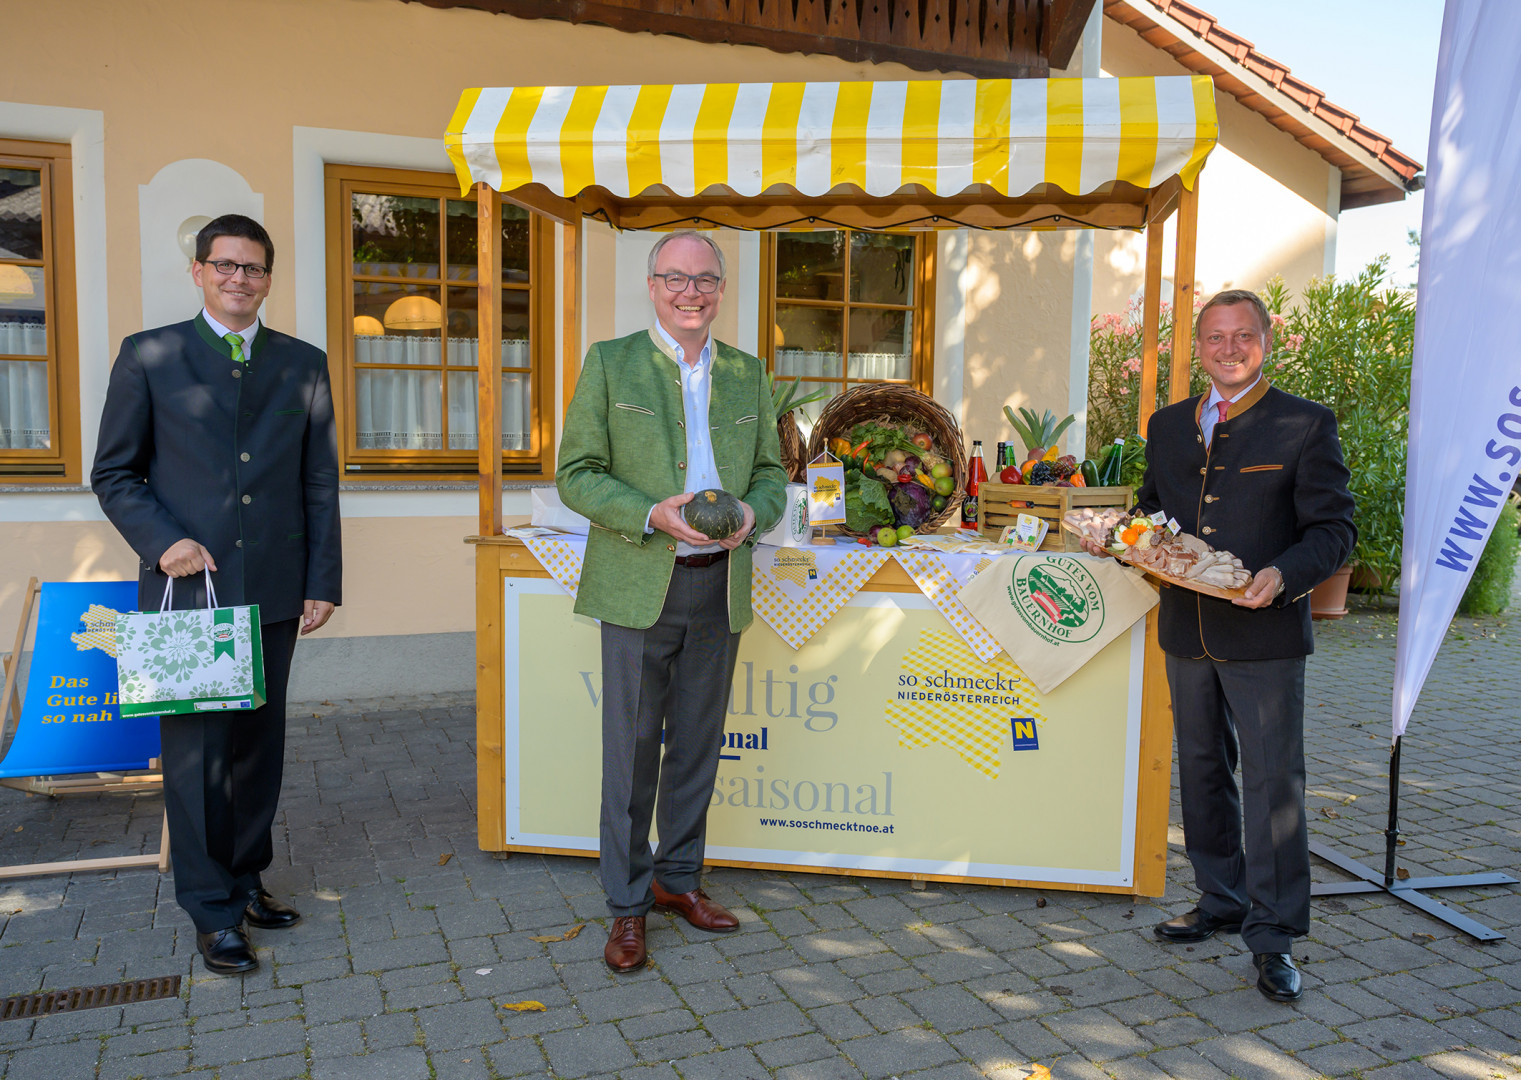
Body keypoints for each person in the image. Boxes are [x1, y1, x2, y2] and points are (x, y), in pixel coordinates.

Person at [92, 214, 341, 975]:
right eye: (225, 265)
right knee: (199, 757)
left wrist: (321, 581)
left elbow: (317, 479)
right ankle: (211, 912)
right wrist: (162, 540)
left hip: (272, 590)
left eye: (254, 268)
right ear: (199, 271)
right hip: (187, 595)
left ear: (268, 278)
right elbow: (114, 472)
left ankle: (244, 878)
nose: (240, 279)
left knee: (257, 753)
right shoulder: (150, 355)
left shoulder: (301, 362)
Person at [1100, 289, 1354, 1002]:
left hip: (1263, 631)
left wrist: (1284, 576)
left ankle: (1272, 937)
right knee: (1202, 770)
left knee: (1273, 786)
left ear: (1264, 342)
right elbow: (1154, 507)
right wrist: (1129, 539)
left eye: (1243, 335)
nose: (1228, 347)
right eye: (1215, 337)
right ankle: (1220, 900)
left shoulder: (1304, 424)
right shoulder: (1168, 424)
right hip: (1186, 629)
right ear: (1199, 349)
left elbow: (1333, 530)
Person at [557, 231, 787, 973]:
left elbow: (771, 476)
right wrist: (651, 513)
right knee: (631, 754)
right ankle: (626, 908)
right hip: (638, 580)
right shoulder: (610, 362)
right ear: (651, 285)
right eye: (676, 279)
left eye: (706, 281)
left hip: (718, 582)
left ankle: (676, 882)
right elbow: (577, 474)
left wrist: (753, 513)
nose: (692, 293)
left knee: (696, 744)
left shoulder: (749, 374)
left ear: (721, 290)